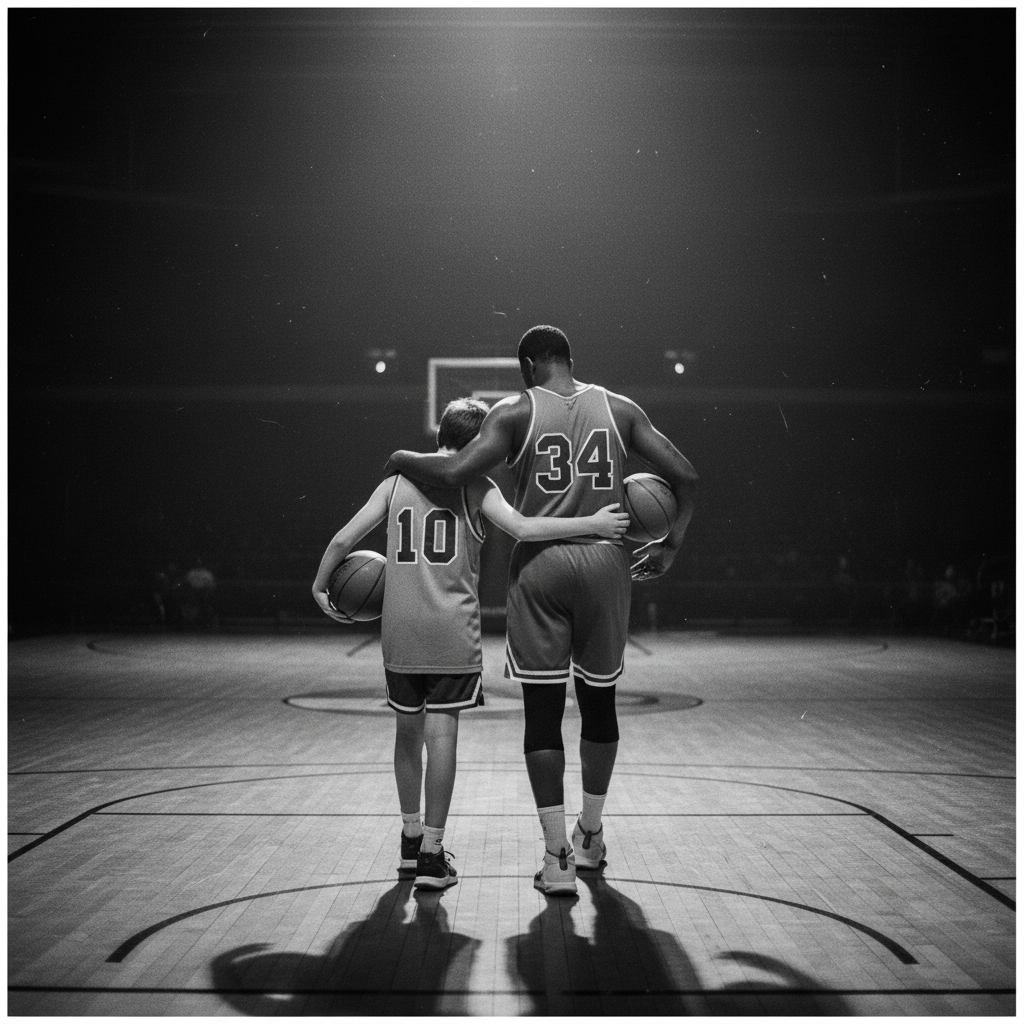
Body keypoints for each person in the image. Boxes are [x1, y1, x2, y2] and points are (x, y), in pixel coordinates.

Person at [385, 325, 698, 896]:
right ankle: (591, 834)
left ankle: (557, 860)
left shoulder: (513, 411)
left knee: (544, 712)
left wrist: (401, 455)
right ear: (569, 359)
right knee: (599, 703)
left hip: (542, 565)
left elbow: (453, 472)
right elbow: (686, 476)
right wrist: (669, 546)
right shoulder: (621, 409)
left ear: (529, 366)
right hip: (606, 559)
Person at [313, 397, 628, 892]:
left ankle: (410, 837)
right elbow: (524, 529)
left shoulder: (395, 483)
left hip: (399, 630)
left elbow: (340, 542)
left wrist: (320, 586)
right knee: (441, 738)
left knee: (406, 734)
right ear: (481, 443)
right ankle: (432, 854)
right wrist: (594, 524)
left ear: (441, 433)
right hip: (451, 632)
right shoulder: (477, 485)